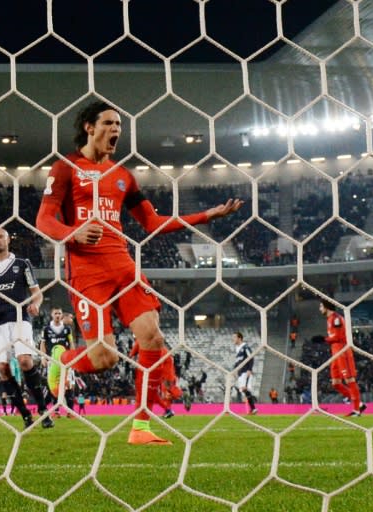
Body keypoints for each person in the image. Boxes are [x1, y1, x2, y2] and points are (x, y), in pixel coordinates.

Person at [35, 100, 243, 445]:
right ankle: (62, 358)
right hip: (86, 272)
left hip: (124, 266)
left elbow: (152, 223)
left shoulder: (123, 176)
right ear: (89, 126)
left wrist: (205, 217)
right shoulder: (65, 168)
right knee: (103, 358)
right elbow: (43, 219)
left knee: (152, 338)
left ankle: (141, 427)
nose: (116, 129)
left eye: (119, 124)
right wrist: (72, 233)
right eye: (108, 123)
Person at [0, 227, 52, 428]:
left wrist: (35, 304)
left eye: (0, 236)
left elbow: (37, 292)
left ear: (8, 239)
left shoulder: (22, 264)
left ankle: (44, 410)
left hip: (19, 318)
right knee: (2, 368)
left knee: (25, 362)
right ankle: (25, 414)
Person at [316, 299, 366, 417]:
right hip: (335, 351)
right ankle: (359, 404)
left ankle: (356, 411)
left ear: (327, 307)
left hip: (342, 350)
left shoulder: (336, 318)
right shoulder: (329, 319)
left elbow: (338, 336)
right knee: (336, 383)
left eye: (321, 306)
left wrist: (324, 339)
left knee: (349, 380)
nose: (320, 309)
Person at [40, 306, 76, 416]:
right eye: (55, 313)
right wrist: (43, 357)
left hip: (66, 361)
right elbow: (43, 344)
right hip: (52, 361)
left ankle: (70, 411)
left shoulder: (67, 329)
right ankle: (55, 411)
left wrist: (73, 357)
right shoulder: (46, 329)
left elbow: (71, 344)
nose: (57, 315)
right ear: (52, 315)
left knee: (69, 384)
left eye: (59, 313)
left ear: (62, 315)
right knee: (53, 385)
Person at [233, 332, 258, 415]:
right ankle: (252, 409)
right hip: (240, 372)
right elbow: (238, 362)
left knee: (244, 388)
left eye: (234, 337)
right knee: (244, 390)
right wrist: (235, 370)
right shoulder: (237, 349)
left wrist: (249, 369)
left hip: (245, 371)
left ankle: (253, 408)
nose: (233, 339)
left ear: (239, 338)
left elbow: (251, 357)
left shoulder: (245, 347)